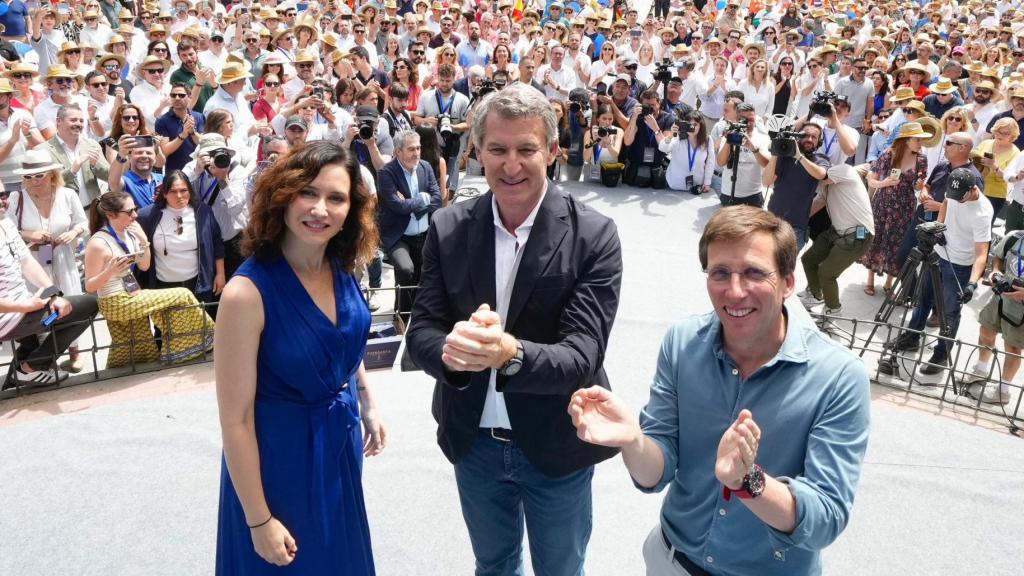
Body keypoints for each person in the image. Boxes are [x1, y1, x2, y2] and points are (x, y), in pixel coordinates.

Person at [568, 206, 870, 576]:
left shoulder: (839, 377)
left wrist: (749, 482)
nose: (735, 291)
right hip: (672, 561)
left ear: (789, 282)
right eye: (720, 273)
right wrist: (632, 440)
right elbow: (653, 475)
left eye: (754, 272)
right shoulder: (682, 343)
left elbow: (825, 518)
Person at [406, 82, 622, 576]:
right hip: (474, 444)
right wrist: (453, 351)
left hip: (555, 443)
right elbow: (421, 333)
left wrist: (507, 353)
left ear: (551, 151)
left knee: (560, 570)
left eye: (527, 149)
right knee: (494, 564)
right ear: (477, 151)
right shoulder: (448, 226)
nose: (511, 165)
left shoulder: (594, 235)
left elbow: (583, 355)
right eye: (498, 149)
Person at [215, 140, 384, 573]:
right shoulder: (245, 294)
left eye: (336, 198)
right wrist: (258, 520)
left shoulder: (342, 268)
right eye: (308, 192)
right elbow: (235, 420)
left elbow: (340, 342)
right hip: (276, 465)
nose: (320, 209)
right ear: (284, 195)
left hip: (337, 447)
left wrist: (367, 402)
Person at [880, 165, 992, 377]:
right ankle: (912, 337)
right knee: (923, 299)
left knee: (949, 311)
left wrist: (972, 282)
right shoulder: (954, 194)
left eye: (962, 197)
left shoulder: (983, 212)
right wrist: (938, 227)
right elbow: (946, 205)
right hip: (937, 254)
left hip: (960, 264)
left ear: (974, 189)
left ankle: (941, 353)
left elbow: (981, 252)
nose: (957, 199)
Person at [83, 191, 215, 368]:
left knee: (137, 345)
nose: (135, 215)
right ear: (110, 215)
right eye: (129, 212)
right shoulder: (97, 243)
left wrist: (144, 240)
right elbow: (89, 286)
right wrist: (109, 271)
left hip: (131, 295)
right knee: (182, 294)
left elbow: (144, 266)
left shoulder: (130, 233)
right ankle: (208, 337)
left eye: (135, 209)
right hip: (114, 302)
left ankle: (123, 368)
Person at [7, 150, 90, 373]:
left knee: (69, 301)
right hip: (32, 261)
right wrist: (29, 234)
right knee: (40, 310)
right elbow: (8, 229)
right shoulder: (17, 198)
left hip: (63, 257)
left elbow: (84, 223)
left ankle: (75, 353)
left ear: (52, 174)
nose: (33, 181)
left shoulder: (67, 195)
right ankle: (44, 357)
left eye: (39, 175)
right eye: (28, 176)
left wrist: (73, 233)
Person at [376, 129, 442, 322]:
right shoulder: (386, 173)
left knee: (424, 276)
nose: (417, 153)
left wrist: (412, 204)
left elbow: (437, 199)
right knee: (406, 270)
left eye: (419, 148)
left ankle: (420, 315)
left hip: (423, 234)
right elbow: (396, 206)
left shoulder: (425, 167)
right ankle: (402, 316)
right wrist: (422, 200)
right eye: (411, 149)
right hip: (399, 236)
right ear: (398, 151)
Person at [860, 122, 930, 296]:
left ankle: (889, 283)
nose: (920, 142)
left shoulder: (922, 159)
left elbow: (918, 186)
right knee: (878, 239)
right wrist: (884, 183)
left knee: (897, 243)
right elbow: (872, 180)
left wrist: (920, 185)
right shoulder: (888, 154)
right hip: (883, 203)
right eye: (917, 139)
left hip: (905, 206)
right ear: (906, 140)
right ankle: (870, 280)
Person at [798, 164, 875, 319]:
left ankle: (833, 308)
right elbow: (816, 204)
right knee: (808, 259)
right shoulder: (826, 187)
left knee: (826, 273)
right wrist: (793, 221)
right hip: (836, 231)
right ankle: (815, 294)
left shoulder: (841, 171)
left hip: (858, 235)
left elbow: (822, 175)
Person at [136, 171, 224, 304]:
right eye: (173, 191)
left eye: (184, 190)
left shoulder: (203, 212)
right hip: (163, 288)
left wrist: (220, 274)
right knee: (167, 325)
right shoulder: (147, 216)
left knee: (200, 324)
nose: (179, 196)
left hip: (197, 285)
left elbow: (217, 244)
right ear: (164, 193)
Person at [962, 230, 1024, 406]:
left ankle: (1003, 391)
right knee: (986, 329)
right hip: (1001, 296)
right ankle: (980, 370)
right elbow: (999, 257)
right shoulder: (1015, 237)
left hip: (1021, 308)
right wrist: (996, 272)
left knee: (1012, 347)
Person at [763, 122, 830, 250]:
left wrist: (799, 156)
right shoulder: (784, 157)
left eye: (814, 137)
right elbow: (766, 181)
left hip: (797, 227)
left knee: (785, 267)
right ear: (798, 137)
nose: (809, 139)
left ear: (819, 142)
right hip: (772, 220)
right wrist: (776, 151)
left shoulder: (820, 159)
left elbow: (821, 174)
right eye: (805, 135)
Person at [38, 104, 110, 209]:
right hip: (63, 212)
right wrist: (72, 170)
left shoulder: (92, 144)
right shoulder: (42, 150)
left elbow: (109, 176)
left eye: (81, 121)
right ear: (59, 121)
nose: (78, 124)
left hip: (93, 211)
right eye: (73, 120)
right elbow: (44, 185)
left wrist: (95, 165)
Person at [716, 102, 771, 207]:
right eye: (743, 120)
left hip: (753, 195)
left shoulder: (762, 138)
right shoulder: (729, 136)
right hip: (729, 193)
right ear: (736, 119)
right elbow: (720, 162)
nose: (748, 123)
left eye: (751, 120)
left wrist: (754, 149)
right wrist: (728, 141)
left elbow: (767, 164)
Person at [660, 109, 714, 194]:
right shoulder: (678, 137)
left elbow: (710, 162)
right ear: (684, 124)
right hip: (674, 185)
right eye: (689, 124)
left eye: (695, 124)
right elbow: (663, 148)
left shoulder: (707, 140)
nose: (692, 127)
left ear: (701, 126)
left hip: (696, 186)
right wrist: (671, 135)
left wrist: (707, 183)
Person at [156, 83, 205, 173]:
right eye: (173, 95)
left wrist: (193, 132)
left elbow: (204, 144)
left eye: (181, 95)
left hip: (198, 171)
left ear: (190, 98)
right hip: (175, 173)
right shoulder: (162, 121)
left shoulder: (199, 117)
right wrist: (182, 135)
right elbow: (164, 152)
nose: (177, 98)